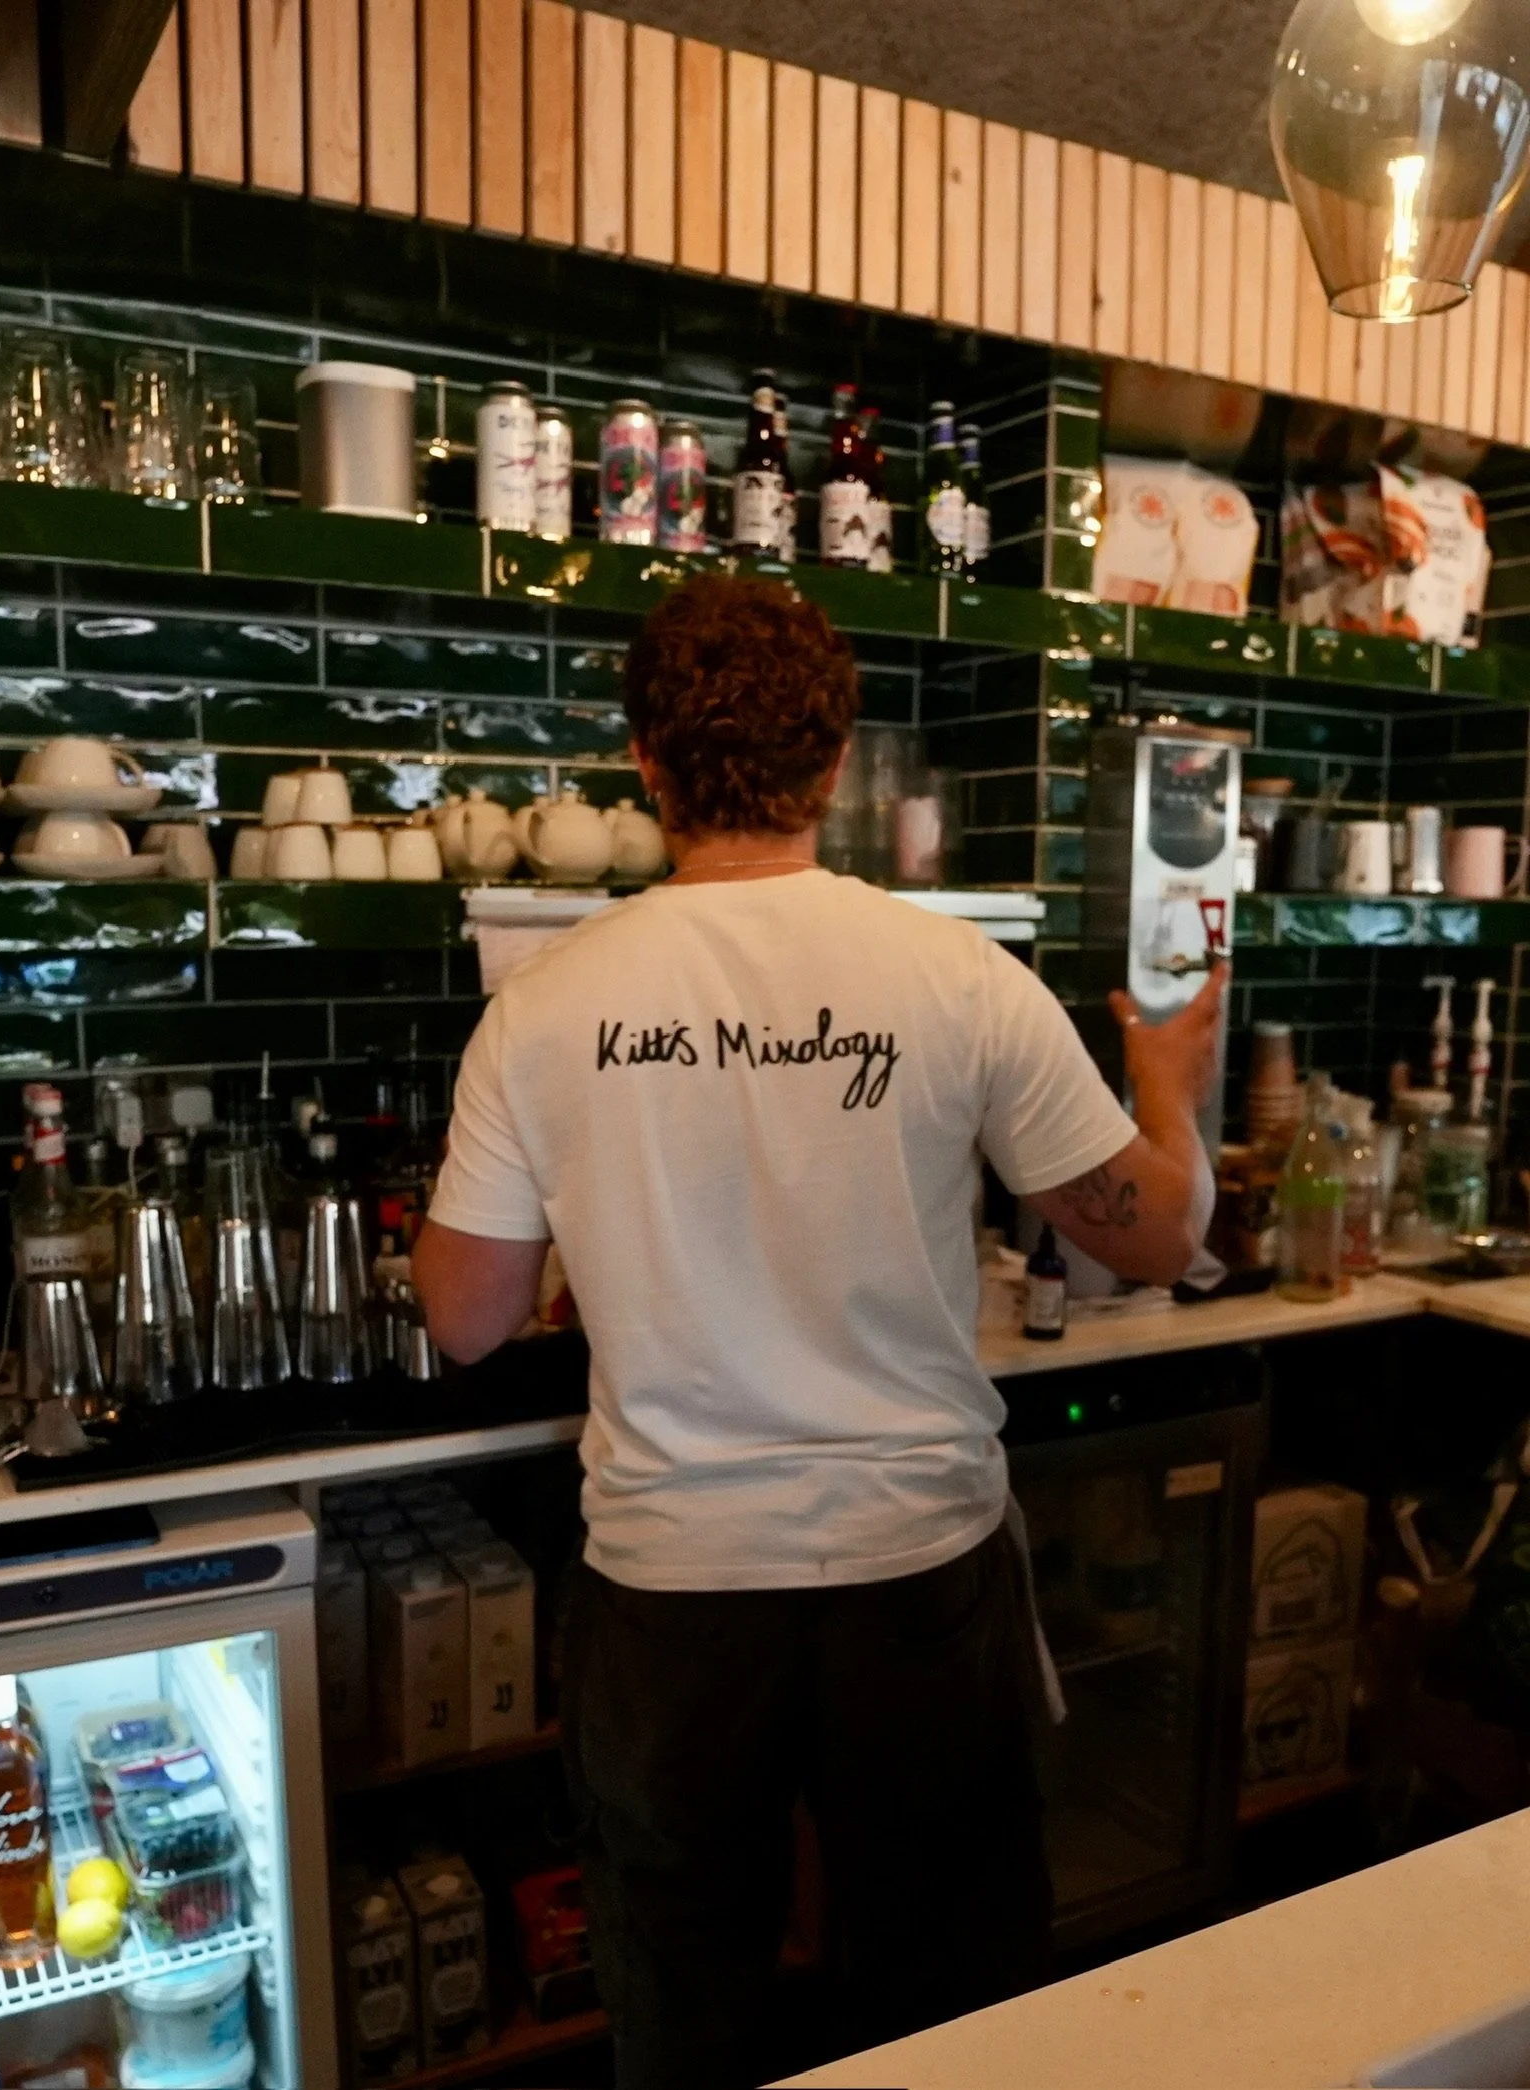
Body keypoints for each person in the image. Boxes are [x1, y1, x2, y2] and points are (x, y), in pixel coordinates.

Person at [413, 573, 1224, 2090]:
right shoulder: (961, 980)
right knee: (952, 2004)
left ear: (644, 761)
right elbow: (1159, 1238)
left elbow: (466, 1320)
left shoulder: (541, 1009)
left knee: (685, 2007)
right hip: (917, 1575)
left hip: (673, 1595)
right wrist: (1167, 1092)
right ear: (836, 763)